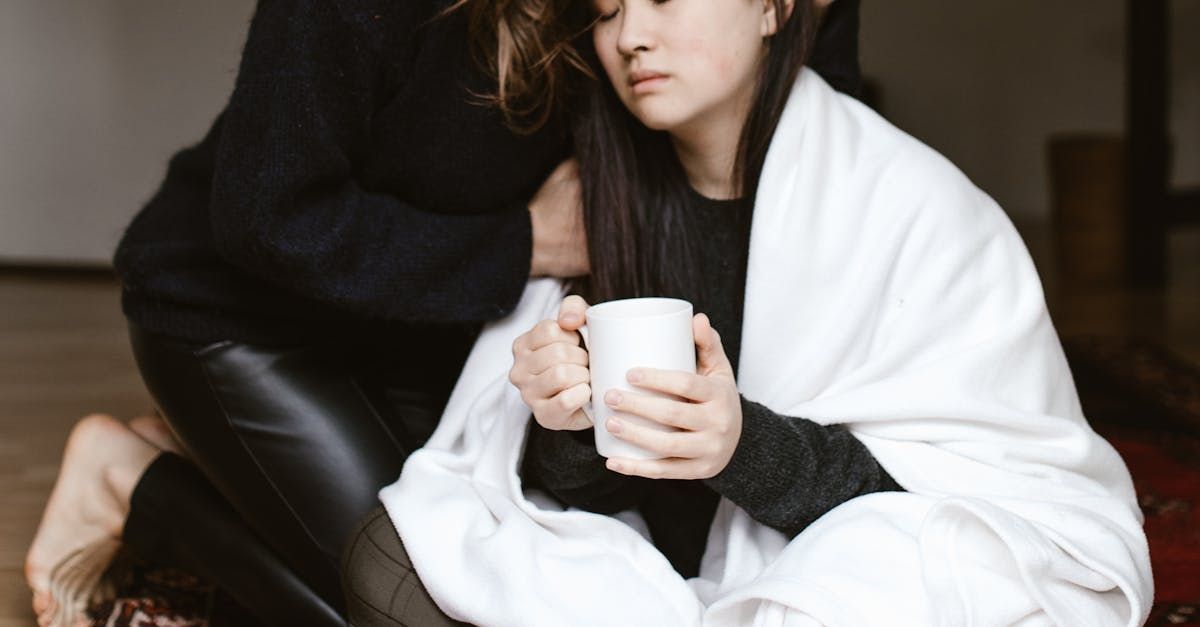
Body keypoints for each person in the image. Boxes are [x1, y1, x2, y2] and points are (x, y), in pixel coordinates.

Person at [25, 0, 865, 625]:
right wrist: (524, 244)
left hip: (426, 330)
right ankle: (136, 481)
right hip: (242, 314)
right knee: (398, 596)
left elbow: (813, 57)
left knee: (496, 567)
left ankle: (216, 462)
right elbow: (264, 217)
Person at [343, 0, 1153, 624]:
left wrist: (738, 445)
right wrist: (563, 421)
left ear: (773, 7)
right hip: (663, 572)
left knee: (887, 570)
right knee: (401, 548)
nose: (630, 36)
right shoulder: (592, 202)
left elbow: (956, 498)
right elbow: (594, 502)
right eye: (606, 12)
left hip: (835, 566)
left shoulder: (910, 205)